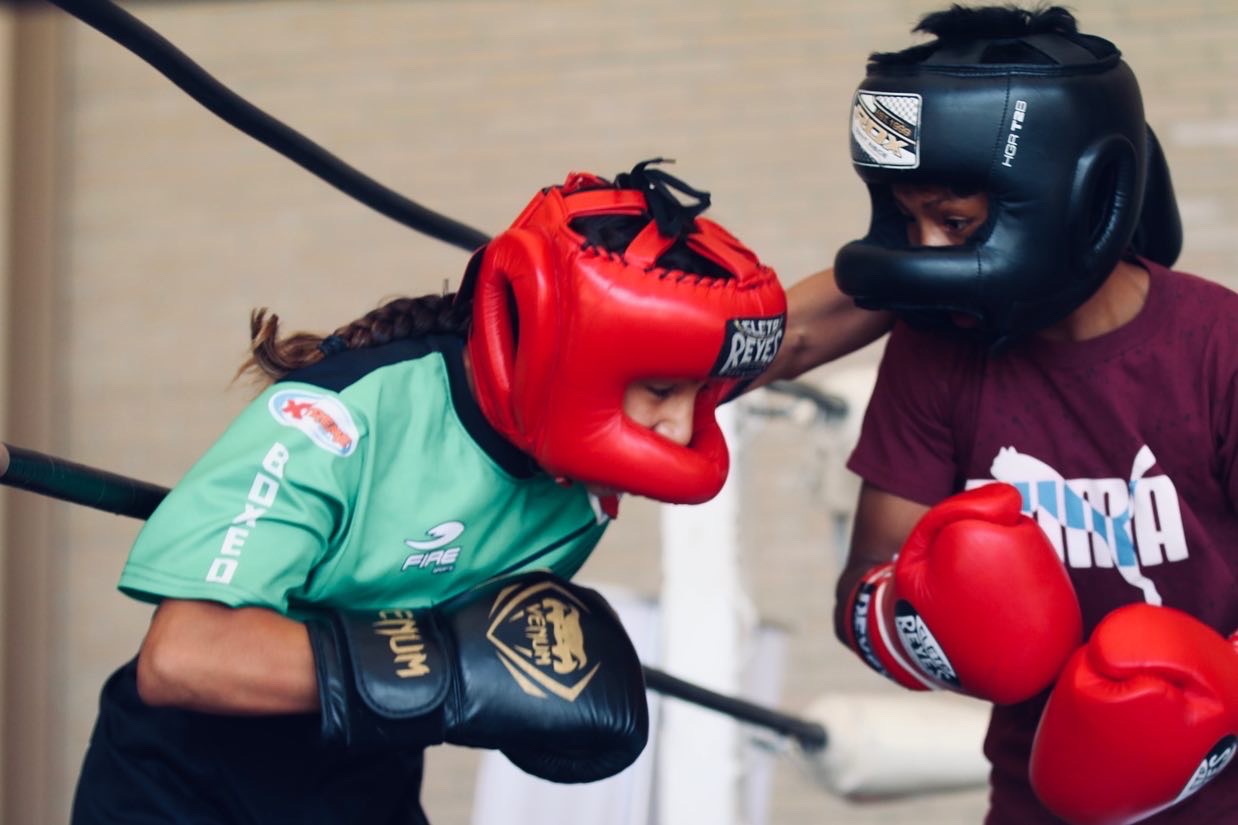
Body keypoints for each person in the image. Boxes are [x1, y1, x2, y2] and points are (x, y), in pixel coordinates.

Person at [68, 159, 789, 825]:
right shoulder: (343, 419)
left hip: (363, 778)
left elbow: (805, 336)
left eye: (701, 391)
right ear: (575, 360)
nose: (682, 426)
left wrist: (871, 263)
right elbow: (183, 656)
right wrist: (449, 669)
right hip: (184, 787)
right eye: (662, 388)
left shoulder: (600, 437)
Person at [793, 5, 1237, 824]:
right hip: (1032, 803)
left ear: (1074, 200)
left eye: (956, 222)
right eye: (910, 220)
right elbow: (864, 585)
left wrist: (1211, 701)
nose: (928, 251)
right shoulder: (938, 349)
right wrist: (924, 624)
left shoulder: (1219, 347)